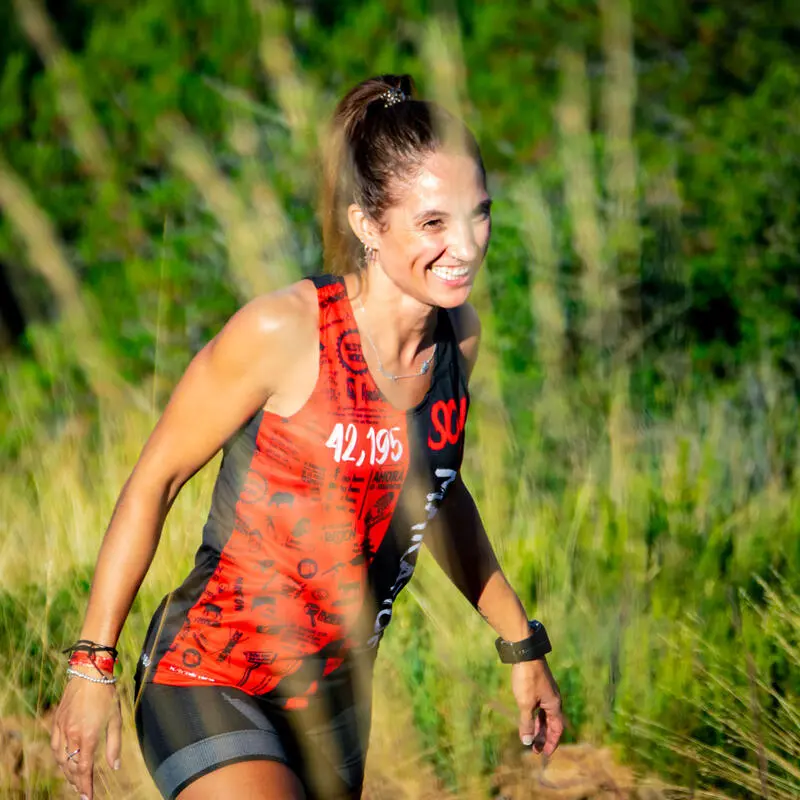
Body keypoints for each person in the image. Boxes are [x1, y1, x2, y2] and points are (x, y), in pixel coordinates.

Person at [50, 74, 564, 800]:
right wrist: (91, 664)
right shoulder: (287, 331)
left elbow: (431, 489)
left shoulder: (458, 339)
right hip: (209, 672)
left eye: (479, 215)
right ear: (366, 226)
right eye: (433, 223)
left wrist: (520, 644)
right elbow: (155, 479)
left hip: (336, 701)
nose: (467, 247)